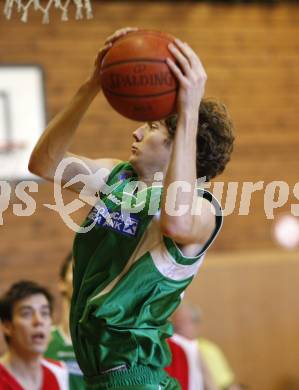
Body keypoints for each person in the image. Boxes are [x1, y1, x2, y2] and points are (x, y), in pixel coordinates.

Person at [29, 27, 234, 390]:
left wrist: (188, 110)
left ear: (179, 145)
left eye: (153, 126)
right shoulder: (117, 178)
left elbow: (175, 222)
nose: (136, 133)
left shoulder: (203, 209)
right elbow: (44, 163)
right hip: (100, 378)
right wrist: (93, 84)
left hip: (134, 378)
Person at [0, 280, 68, 390]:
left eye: (44, 313)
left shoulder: (59, 372)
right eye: (26, 313)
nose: (39, 321)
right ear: (7, 326)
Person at [172, 303, 242, 390]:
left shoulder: (208, 350)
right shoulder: (168, 347)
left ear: (196, 325)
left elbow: (227, 385)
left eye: (182, 321)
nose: (177, 326)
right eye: (175, 321)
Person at [45, 252, 84, 389]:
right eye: (76, 271)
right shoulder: (42, 340)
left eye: (87, 272)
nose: (83, 278)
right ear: (61, 283)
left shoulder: (106, 342)